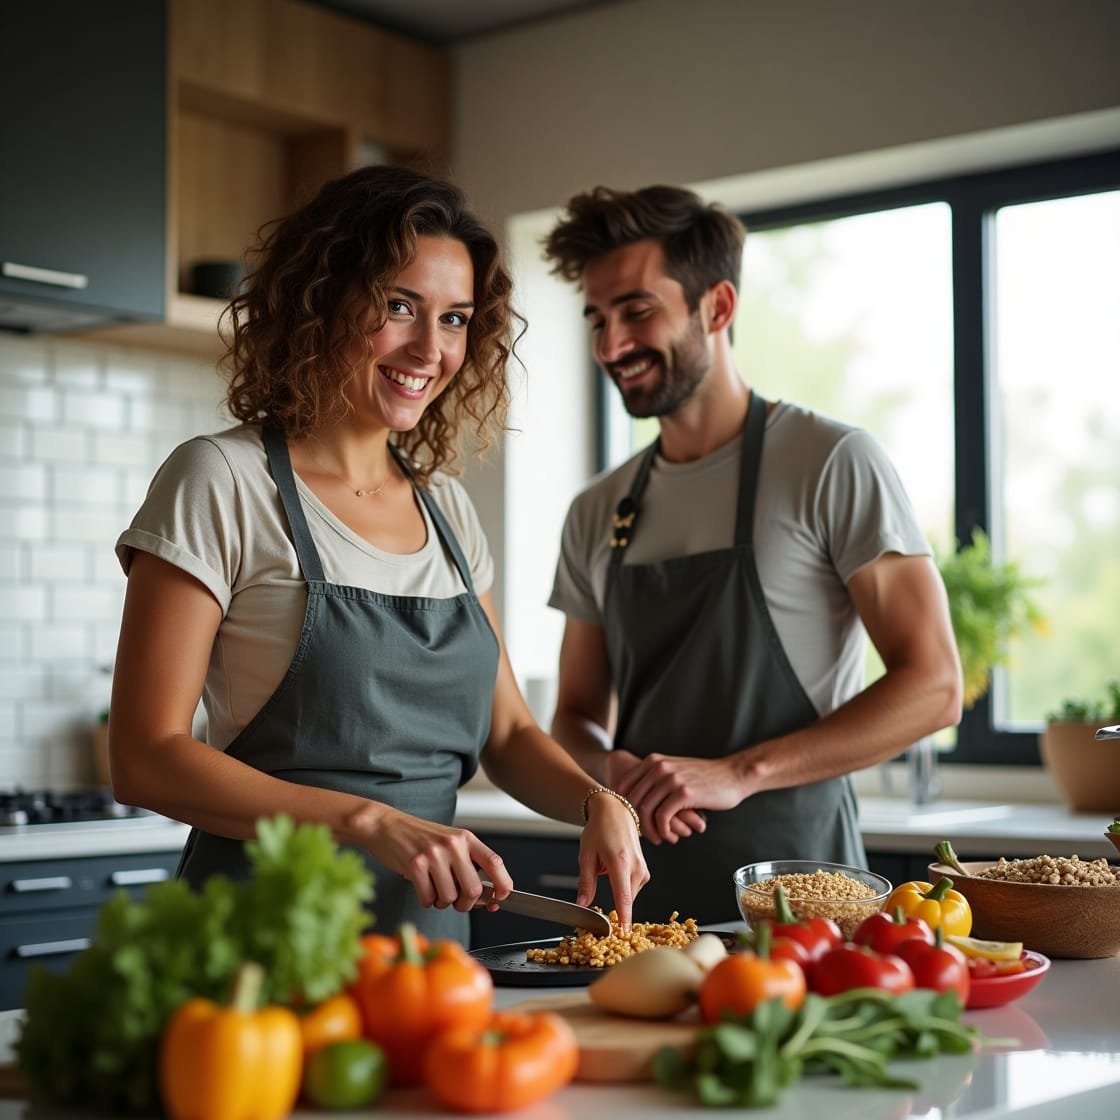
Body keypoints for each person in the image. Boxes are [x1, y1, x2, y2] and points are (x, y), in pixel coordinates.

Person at [108, 165, 648, 944]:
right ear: (320, 301)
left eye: (456, 319)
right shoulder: (220, 479)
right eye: (400, 307)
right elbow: (144, 756)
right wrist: (369, 822)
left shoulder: (449, 508)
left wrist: (599, 801)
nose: (431, 348)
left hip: (424, 955)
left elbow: (508, 735)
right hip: (261, 941)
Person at [541, 184, 963, 924]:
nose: (610, 346)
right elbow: (574, 715)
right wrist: (613, 772)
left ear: (718, 307)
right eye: (597, 319)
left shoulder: (830, 462)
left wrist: (738, 773)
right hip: (641, 907)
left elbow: (934, 686)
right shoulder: (597, 511)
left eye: (637, 311)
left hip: (806, 903)